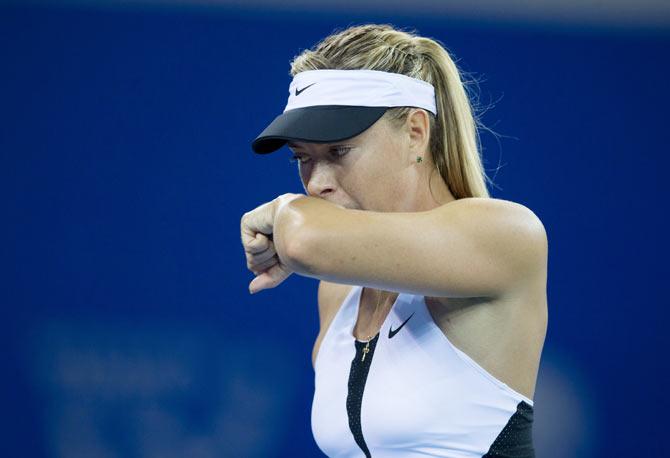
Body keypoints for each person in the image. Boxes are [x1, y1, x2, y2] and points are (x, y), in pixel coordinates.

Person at [240, 23, 547, 458]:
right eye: (302, 159)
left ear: (416, 132)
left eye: (339, 151)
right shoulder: (338, 289)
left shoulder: (507, 234)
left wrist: (282, 212)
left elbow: (303, 240)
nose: (316, 184)